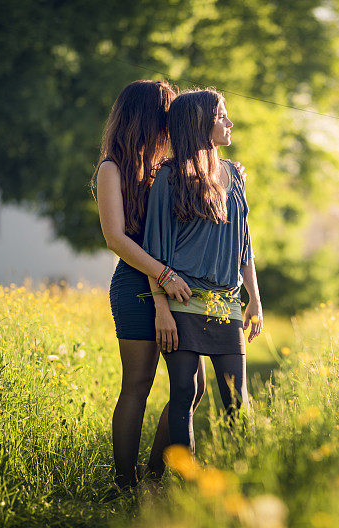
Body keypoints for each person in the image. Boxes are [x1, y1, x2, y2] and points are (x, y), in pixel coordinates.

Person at [94, 80, 236, 490]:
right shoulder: (111, 168)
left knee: (193, 388)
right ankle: (125, 483)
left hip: (176, 290)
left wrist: (229, 169)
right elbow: (115, 238)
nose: (170, 120)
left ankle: (155, 474)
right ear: (144, 116)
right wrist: (162, 274)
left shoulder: (164, 168)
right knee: (136, 385)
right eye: (164, 112)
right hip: (138, 287)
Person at [142, 88, 262, 453]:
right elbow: (154, 248)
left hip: (226, 303)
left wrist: (254, 300)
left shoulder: (234, 174)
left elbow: (245, 245)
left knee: (236, 397)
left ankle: (249, 476)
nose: (229, 122)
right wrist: (161, 309)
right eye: (221, 116)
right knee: (184, 393)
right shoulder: (168, 179)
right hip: (181, 302)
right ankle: (184, 486)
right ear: (200, 123)